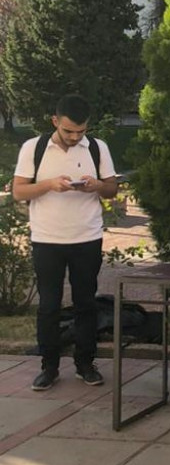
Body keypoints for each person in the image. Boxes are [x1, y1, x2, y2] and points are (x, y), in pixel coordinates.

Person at [11, 94, 118, 390]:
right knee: (48, 305)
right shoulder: (34, 148)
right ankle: (49, 366)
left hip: (87, 237)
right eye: (69, 131)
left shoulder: (98, 148)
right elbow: (19, 192)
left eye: (81, 131)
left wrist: (97, 186)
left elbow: (111, 188)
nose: (75, 137)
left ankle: (86, 363)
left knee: (86, 302)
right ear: (55, 121)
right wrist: (49, 185)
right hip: (47, 239)